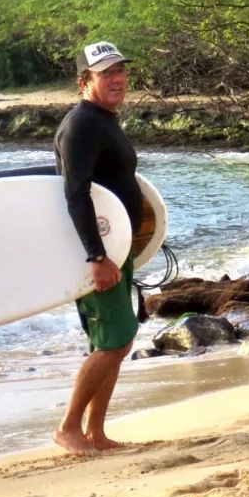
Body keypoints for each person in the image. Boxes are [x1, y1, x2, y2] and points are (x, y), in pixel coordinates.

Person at [53, 41, 143, 458]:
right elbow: (75, 194)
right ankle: (68, 427)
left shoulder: (104, 120)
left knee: (114, 343)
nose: (117, 78)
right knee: (113, 342)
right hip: (98, 256)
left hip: (115, 251)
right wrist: (96, 256)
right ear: (83, 81)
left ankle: (96, 432)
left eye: (120, 70)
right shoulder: (82, 125)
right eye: (105, 73)